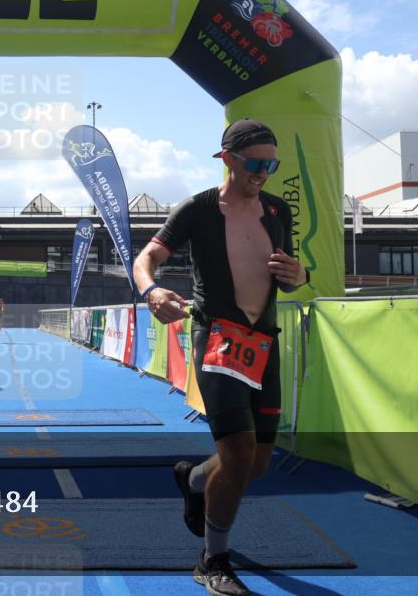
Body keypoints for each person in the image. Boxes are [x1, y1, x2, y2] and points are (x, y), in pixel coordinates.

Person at [132, 119, 309, 596]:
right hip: (218, 340)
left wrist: (300, 275)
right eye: (255, 163)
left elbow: (291, 276)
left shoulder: (278, 210)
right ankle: (213, 560)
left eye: (271, 165)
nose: (263, 173)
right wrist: (151, 291)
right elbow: (146, 259)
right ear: (227, 159)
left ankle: (192, 479)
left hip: (264, 343)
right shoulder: (199, 208)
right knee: (238, 456)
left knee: (257, 464)